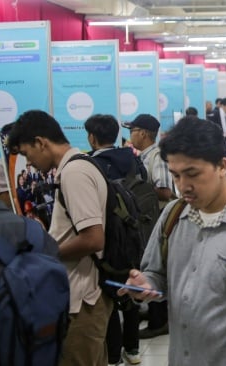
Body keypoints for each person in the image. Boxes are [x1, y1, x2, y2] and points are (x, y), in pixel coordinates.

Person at [119, 118, 226, 365]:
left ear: (222, 166)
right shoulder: (172, 216)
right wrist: (145, 284)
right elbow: (157, 275)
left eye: (192, 174)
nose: (183, 186)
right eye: (176, 176)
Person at [8, 110, 112, 366]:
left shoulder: (74, 173)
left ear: (41, 142)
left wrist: (44, 252)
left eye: (26, 154)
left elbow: (93, 239)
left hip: (82, 300)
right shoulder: (74, 167)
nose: (29, 163)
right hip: (81, 295)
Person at [84, 114, 146, 365]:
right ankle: (132, 350)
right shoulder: (132, 158)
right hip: (133, 230)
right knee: (130, 288)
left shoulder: (90, 166)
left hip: (107, 236)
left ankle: (113, 354)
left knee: (108, 294)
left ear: (92, 137)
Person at [122, 113, 173, 339]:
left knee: (157, 265)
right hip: (147, 220)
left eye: (132, 130)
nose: (130, 135)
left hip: (157, 218)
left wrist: (139, 192)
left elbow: (165, 191)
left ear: (143, 133)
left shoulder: (157, 157)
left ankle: (159, 320)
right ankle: (153, 310)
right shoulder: (142, 156)